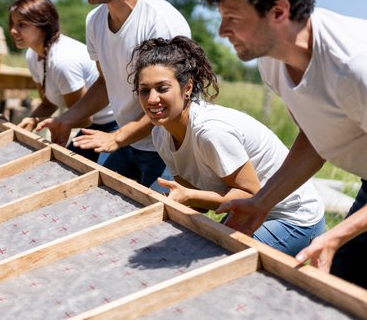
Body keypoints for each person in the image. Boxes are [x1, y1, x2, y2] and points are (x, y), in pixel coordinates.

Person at [195, 0, 367, 288]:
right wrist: (261, 202)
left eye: (232, 18)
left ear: (278, 12)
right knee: (335, 289)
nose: (221, 31)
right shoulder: (273, 62)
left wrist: (335, 235)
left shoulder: (354, 66)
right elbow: (314, 141)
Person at [129, 36, 325, 256]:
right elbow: (196, 200)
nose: (152, 99)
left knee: (218, 261)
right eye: (144, 90)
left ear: (187, 88)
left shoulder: (211, 131)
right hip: (247, 212)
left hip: (292, 217)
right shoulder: (160, 134)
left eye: (162, 88)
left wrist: (189, 198)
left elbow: (250, 196)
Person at [37, 0, 191, 189]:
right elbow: (106, 82)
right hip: (127, 140)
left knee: (155, 227)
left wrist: (117, 138)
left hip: (167, 147)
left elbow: (171, 102)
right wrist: (66, 120)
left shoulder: (160, 23)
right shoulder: (94, 21)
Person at [9, 0, 117, 162]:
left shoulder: (63, 61)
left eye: (22, 25)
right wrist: (31, 120)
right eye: (12, 24)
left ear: (43, 25)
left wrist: (48, 121)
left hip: (112, 125)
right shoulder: (33, 55)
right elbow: (48, 103)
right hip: (90, 124)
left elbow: (84, 118)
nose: (13, 31)